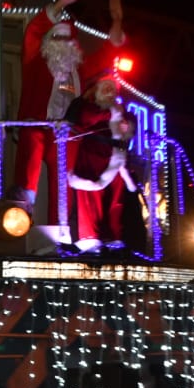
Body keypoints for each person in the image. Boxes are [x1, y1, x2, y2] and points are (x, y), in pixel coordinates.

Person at [12, 0, 125, 242]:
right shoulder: (34, 59)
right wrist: (62, 2)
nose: (63, 42)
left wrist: (117, 21)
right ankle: (18, 222)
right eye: (57, 36)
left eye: (68, 38)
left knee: (62, 185)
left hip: (67, 133)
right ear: (48, 41)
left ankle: (55, 239)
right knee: (28, 168)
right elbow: (34, 31)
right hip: (37, 125)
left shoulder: (80, 69)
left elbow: (109, 51)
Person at [64, 67, 139, 255]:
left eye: (111, 88)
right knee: (90, 198)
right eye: (105, 86)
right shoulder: (91, 107)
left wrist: (126, 124)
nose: (108, 90)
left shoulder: (121, 111)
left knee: (115, 201)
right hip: (92, 157)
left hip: (117, 158)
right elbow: (84, 119)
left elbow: (129, 126)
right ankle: (90, 238)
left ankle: (114, 237)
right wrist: (109, 115)